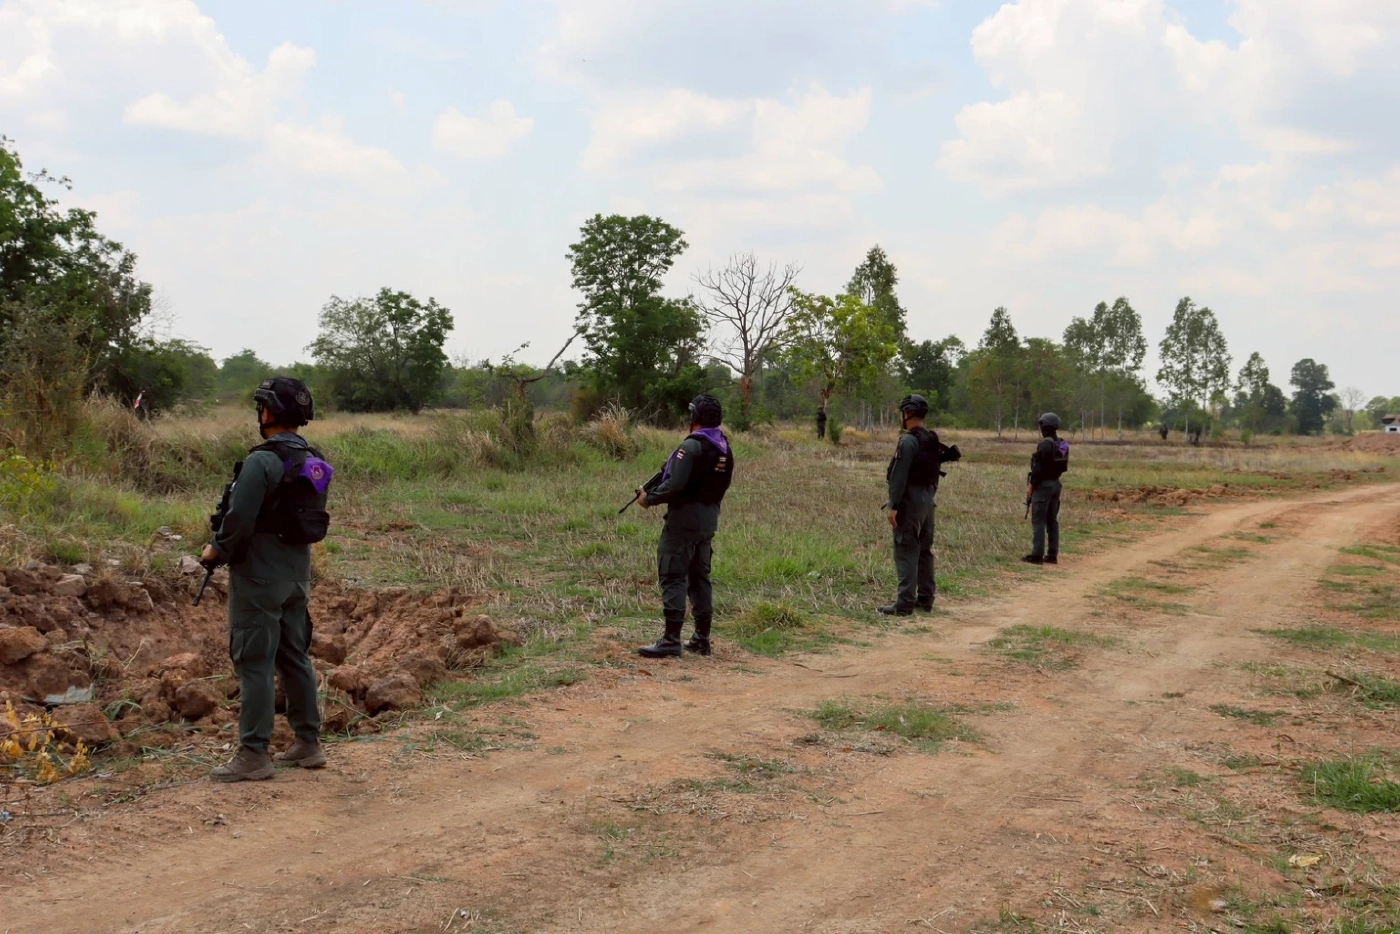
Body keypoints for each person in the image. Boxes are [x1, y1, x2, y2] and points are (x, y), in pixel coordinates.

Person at [201, 377, 332, 782]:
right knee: (294, 656)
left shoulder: (260, 461)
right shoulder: (316, 460)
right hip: (297, 577)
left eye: (262, 407)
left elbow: (239, 519)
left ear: (270, 412)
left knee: (254, 662)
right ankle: (308, 744)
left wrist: (216, 550)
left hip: (258, 578)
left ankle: (254, 754)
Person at [635, 395, 735, 658]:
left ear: (696, 417)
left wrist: (649, 499)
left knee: (673, 575)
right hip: (709, 520)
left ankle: (670, 639)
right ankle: (702, 639)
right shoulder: (724, 445)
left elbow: (674, 486)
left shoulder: (690, 447)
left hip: (683, 522)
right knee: (700, 577)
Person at [880, 394, 959, 615]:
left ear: (907, 414)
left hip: (910, 501)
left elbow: (898, 476)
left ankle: (904, 603)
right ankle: (926, 599)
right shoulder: (931, 439)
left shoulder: (908, 441)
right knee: (924, 551)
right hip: (928, 499)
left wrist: (893, 505)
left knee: (905, 548)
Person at [1023, 412, 1069, 566]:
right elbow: (1063, 467)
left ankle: (1036, 556)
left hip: (1043, 486)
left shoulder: (1044, 445)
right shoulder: (1062, 444)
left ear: (1045, 426)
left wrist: (1031, 486)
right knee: (1052, 521)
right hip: (1056, 484)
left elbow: (1037, 470)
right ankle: (1052, 555)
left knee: (1038, 521)